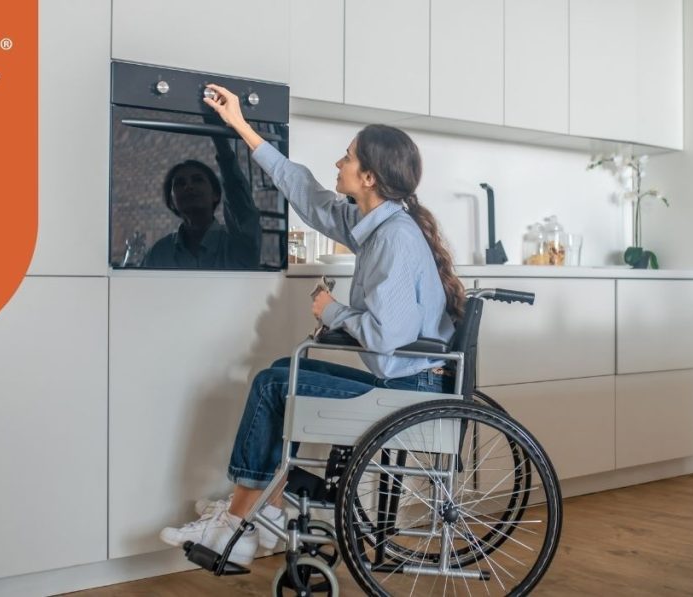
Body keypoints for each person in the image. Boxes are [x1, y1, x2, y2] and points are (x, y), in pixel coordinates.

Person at [158, 83, 466, 566]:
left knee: (272, 383)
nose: (337, 164)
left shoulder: (393, 240)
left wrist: (331, 311)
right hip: (405, 377)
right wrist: (240, 126)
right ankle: (265, 510)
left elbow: (388, 339)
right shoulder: (377, 225)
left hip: (409, 390)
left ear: (368, 176)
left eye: (346, 158)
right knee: (283, 374)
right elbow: (304, 190)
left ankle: (237, 522)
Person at [142, 132, 261, 269]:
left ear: (215, 194)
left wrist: (221, 144)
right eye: (180, 183)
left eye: (198, 180)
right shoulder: (160, 253)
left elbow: (241, 206)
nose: (188, 186)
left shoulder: (236, 246)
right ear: (172, 201)